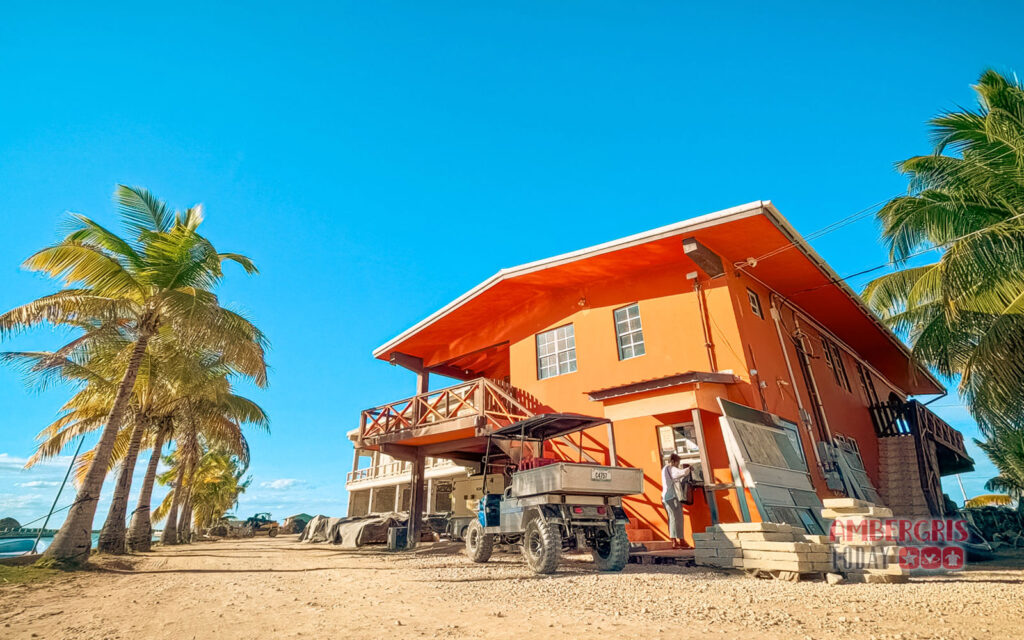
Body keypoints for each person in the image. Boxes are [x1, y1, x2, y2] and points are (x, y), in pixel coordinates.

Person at [661, 453, 691, 549]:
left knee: (674, 518)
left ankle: (678, 540)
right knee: (676, 518)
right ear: (673, 461)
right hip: (672, 497)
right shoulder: (671, 468)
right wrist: (690, 468)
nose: (678, 464)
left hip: (666, 497)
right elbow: (682, 473)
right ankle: (676, 541)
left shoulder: (664, 469)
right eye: (678, 462)